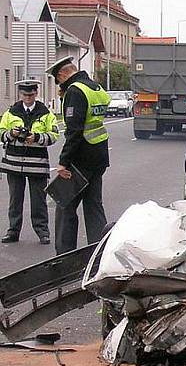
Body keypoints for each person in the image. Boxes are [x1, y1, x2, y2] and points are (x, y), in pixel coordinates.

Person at [45, 56, 111, 255]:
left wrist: (64, 162)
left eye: (59, 80)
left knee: (65, 205)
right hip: (99, 155)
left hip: (80, 159)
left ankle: (65, 257)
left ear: (63, 74)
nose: (60, 85)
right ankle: (98, 253)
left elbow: (74, 131)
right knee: (94, 207)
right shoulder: (96, 88)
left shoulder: (75, 91)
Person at [0, 80, 60, 244]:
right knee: (15, 201)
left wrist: (37, 137)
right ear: (21, 94)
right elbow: (1, 133)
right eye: (25, 95)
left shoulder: (46, 113)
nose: (28, 98)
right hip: (13, 163)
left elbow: (54, 135)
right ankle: (13, 231)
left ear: (36, 93)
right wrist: (11, 134)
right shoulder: (11, 112)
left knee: (38, 201)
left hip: (37, 164)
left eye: (31, 94)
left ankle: (42, 232)